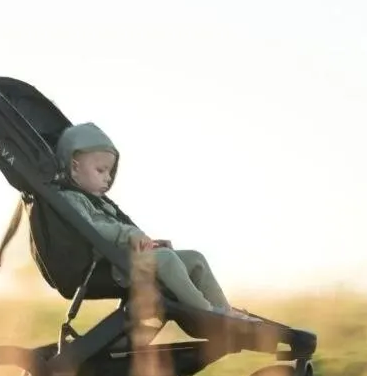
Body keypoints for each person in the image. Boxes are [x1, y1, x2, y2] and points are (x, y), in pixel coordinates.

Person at [54, 122, 240, 316]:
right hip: (110, 266)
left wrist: (148, 244)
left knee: (195, 258)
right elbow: (91, 229)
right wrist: (130, 235)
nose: (108, 178)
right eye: (101, 170)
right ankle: (207, 313)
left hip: (125, 258)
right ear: (75, 168)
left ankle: (226, 312)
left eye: (110, 172)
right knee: (166, 259)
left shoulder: (98, 203)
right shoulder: (70, 200)